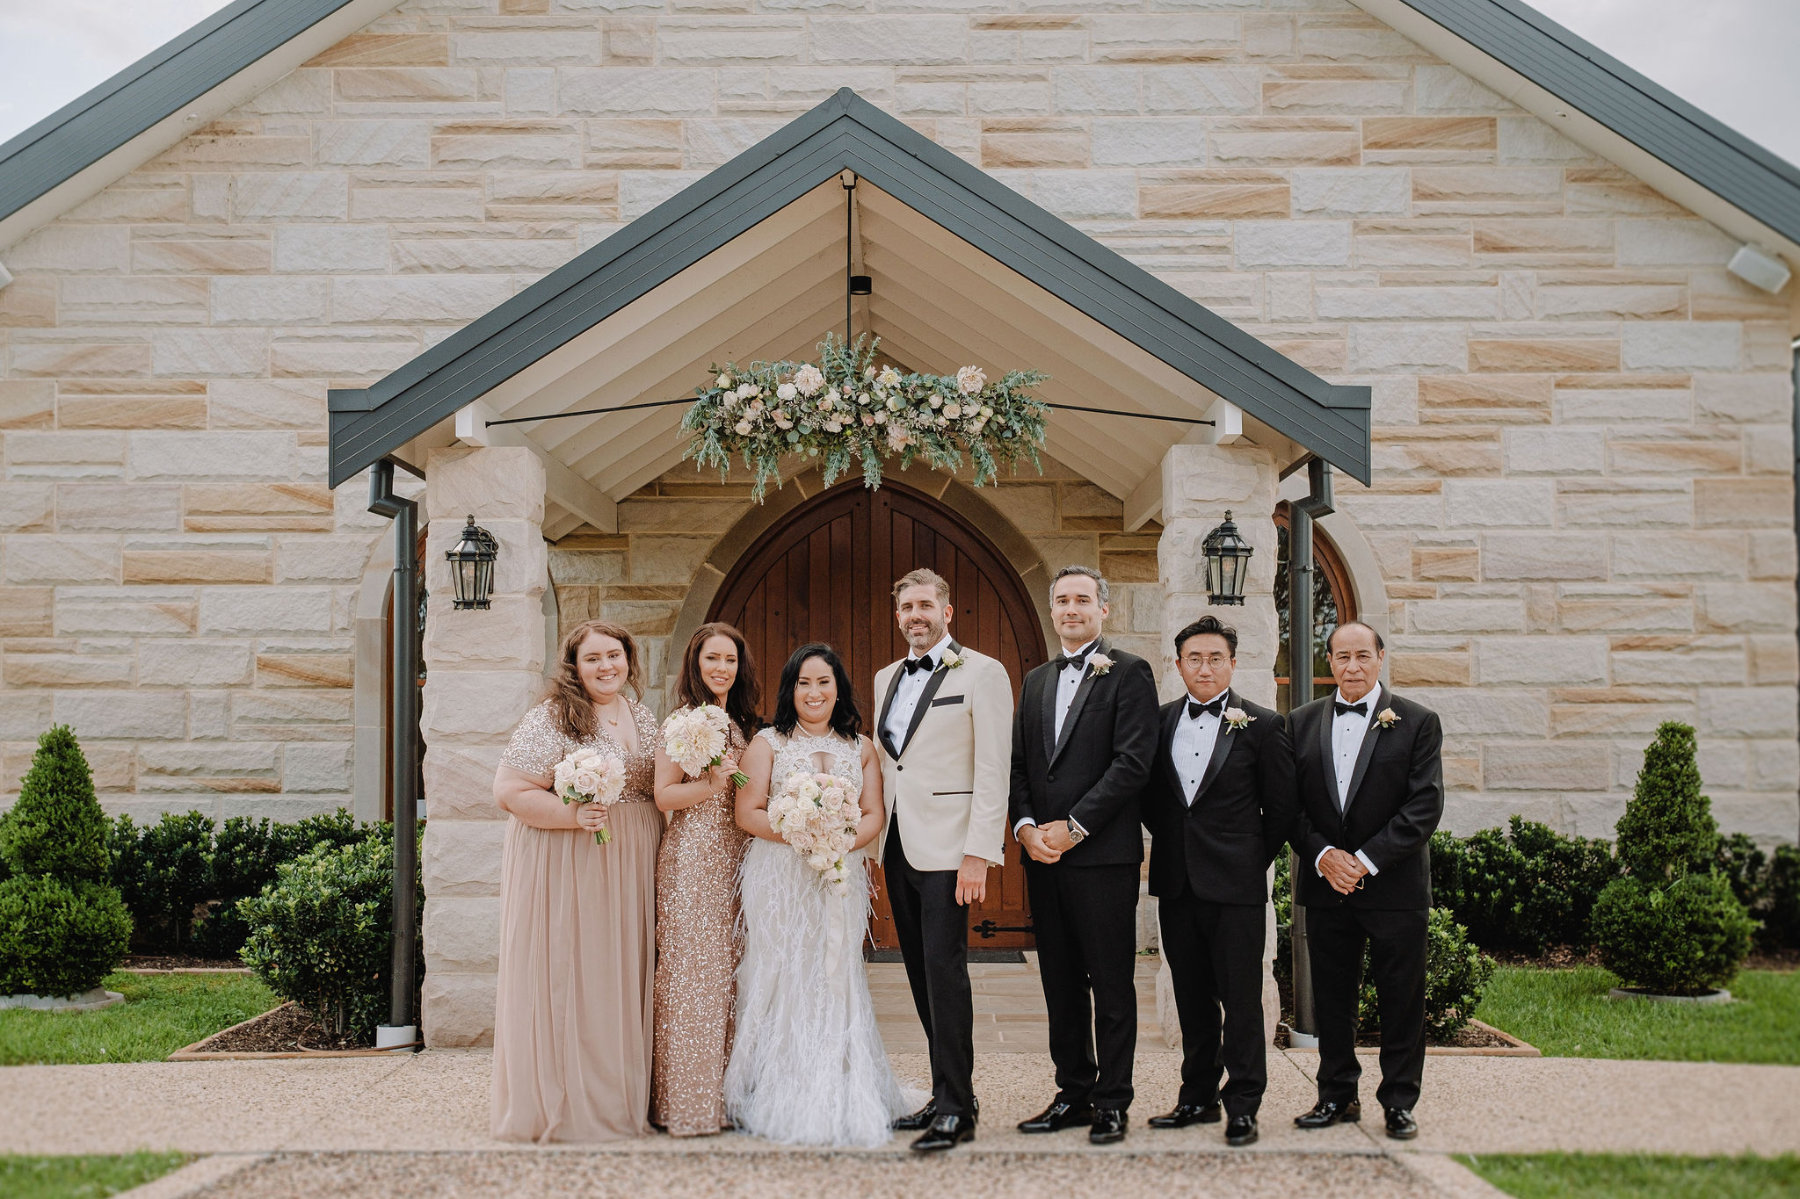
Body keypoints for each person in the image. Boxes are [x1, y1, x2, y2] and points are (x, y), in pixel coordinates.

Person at [723, 642, 914, 1147]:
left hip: (838, 875)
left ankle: (840, 1079)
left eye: (823, 682)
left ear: (838, 689)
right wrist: (802, 832)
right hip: (779, 876)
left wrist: (835, 842)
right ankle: (768, 1085)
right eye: (804, 682)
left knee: (834, 969)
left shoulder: (862, 747)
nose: (814, 692)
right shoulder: (767, 743)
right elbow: (748, 813)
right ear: (791, 689)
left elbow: (874, 814)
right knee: (780, 967)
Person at [489, 619, 663, 1142]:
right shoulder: (555, 718)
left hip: (633, 861)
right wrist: (571, 814)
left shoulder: (642, 715)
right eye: (593, 659)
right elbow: (509, 789)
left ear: (629, 659)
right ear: (575, 666)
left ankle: (620, 1095)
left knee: (619, 974)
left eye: (614, 655)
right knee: (580, 974)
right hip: (574, 861)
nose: (605, 666)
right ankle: (568, 1101)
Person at [1009, 565, 1158, 1146]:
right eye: (1062, 600)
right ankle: (1072, 1091)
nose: (1071, 609)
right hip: (1042, 857)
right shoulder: (1036, 681)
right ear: (1053, 611)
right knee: (1060, 981)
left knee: (1112, 982)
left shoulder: (1129, 673)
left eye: (1082, 600)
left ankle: (1112, 1101)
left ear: (1104, 610)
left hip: (1101, 857)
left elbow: (1132, 764)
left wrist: (1073, 828)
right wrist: (1025, 828)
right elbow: (1021, 764)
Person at [872, 568, 1014, 1153]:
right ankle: (946, 1090)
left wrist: (979, 852)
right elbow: (890, 765)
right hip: (898, 845)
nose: (916, 615)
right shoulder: (885, 677)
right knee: (919, 973)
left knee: (947, 974)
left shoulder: (983, 672)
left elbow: (992, 768)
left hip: (953, 850)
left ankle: (958, 1106)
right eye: (906, 607)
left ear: (947, 612)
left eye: (926, 605)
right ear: (897, 615)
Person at [1143, 615, 1295, 1147]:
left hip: (1237, 888)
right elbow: (1150, 803)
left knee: (1241, 998)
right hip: (1177, 884)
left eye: (1215, 658)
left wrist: (1247, 859)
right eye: (1194, 658)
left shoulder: (1262, 725)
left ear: (1232, 663)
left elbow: (1280, 810)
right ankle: (1197, 1097)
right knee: (1191, 998)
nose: (1204, 667)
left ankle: (1245, 1102)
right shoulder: (1157, 722)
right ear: (1178, 664)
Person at [1289, 621, 1443, 1142]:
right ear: (1328, 662)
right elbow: (1290, 808)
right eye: (1341, 657)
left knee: (1402, 998)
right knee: (1331, 1000)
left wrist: (1364, 861)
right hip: (1325, 885)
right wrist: (1326, 856)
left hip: (1394, 889)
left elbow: (1424, 806)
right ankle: (1336, 1095)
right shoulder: (1300, 723)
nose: (1352, 667)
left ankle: (1399, 1101)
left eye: (1362, 656)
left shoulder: (1418, 723)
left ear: (1380, 658)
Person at [649, 622, 760, 1137]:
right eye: (712, 659)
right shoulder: (682, 722)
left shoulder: (739, 721)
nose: (722, 669)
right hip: (694, 860)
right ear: (695, 663)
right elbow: (664, 795)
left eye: (730, 660)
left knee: (730, 977)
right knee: (693, 981)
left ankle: (728, 1096)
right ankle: (687, 1106)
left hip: (737, 858)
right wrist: (710, 785)